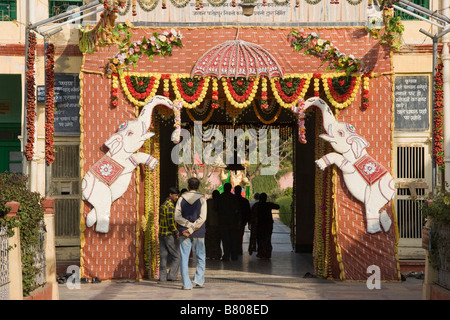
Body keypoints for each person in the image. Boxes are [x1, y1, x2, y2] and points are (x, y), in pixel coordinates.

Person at [175, 177, 207, 290]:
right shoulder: (202, 199)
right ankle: (199, 280)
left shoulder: (181, 199)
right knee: (201, 256)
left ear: (188, 186)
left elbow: (177, 216)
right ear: (198, 186)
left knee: (184, 257)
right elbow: (203, 217)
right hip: (199, 231)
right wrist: (193, 227)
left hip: (184, 231)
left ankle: (186, 284)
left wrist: (188, 226)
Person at [158, 187, 181, 282]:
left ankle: (162, 277)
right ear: (170, 195)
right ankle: (172, 276)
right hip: (169, 235)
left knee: (163, 256)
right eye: (175, 195)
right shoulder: (170, 206)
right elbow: (171, 222)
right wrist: (176, 232)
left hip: (162, 234)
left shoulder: (163, 204)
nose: (177, 197)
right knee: (176, 256)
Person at [251, 192, 280, 259]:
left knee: (260, 239)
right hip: (268, 225)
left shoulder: (257, 205)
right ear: (266, 198)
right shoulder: (268, 205)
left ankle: (261, 253)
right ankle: (267, 253)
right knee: (267, 239)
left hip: (260, 224)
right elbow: (278, 206)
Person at [217, 182, 239, 261]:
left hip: (223, 221)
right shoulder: (234, 198)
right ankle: (234, 255)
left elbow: (216, 209)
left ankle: (226, 255)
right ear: (230, 189)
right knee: (233, 239)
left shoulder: (220, 198)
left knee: (225, 239)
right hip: (232, 221)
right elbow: (237, 210)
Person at [205, 190, 222, 260]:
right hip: (218, 225)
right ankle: (217, 254)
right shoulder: (221, 202)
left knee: (209, 240)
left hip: (210, 224)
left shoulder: (208, 202)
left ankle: (210, 254)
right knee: (217, 241)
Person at [234, 185, 250, 255]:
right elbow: (248, 212)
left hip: (232, 222)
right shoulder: (245, 201)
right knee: (240, 237)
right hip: (242, 222)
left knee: (232, 237)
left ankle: (233, 251)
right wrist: (247, 221)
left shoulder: (231, 200)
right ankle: (239, 251)